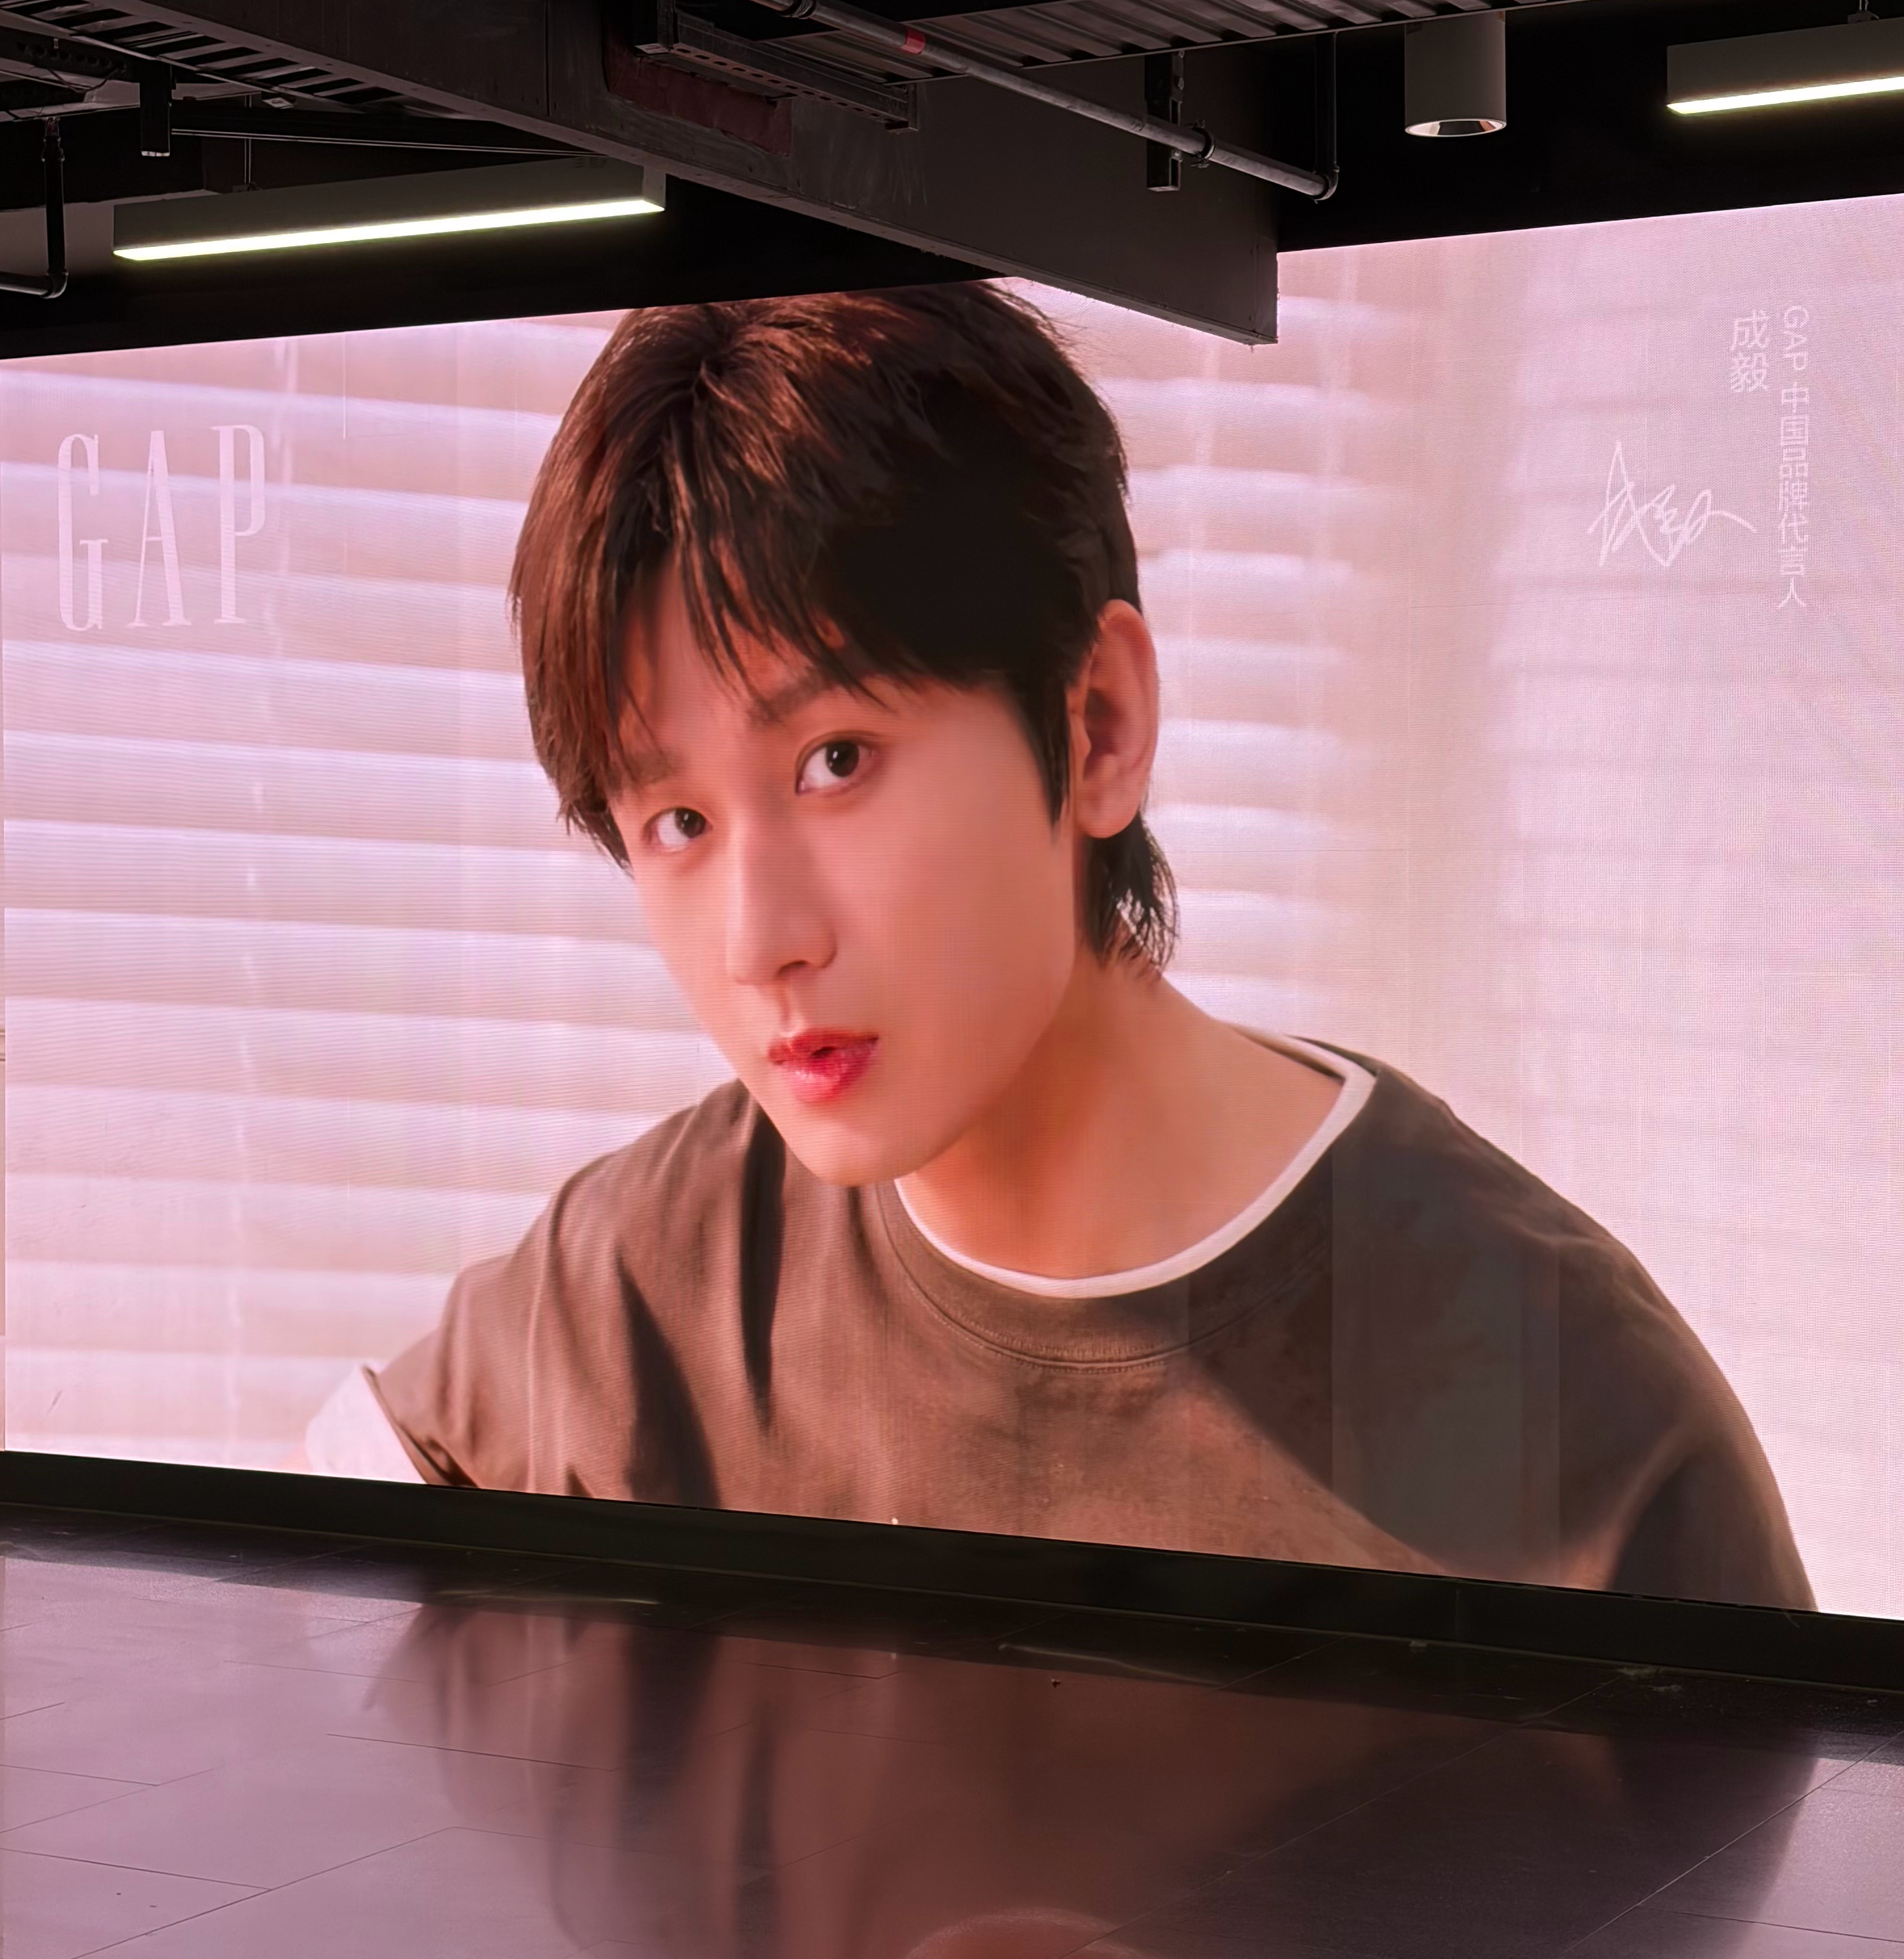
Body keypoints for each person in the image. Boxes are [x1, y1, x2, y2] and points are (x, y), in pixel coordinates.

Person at [305, 283, 1811, 1607]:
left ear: (1098, 724)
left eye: (835, 761)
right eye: (678, 822)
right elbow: (296, 1639)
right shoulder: (640, 1285)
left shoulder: (1576, 1416)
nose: (761, 941)